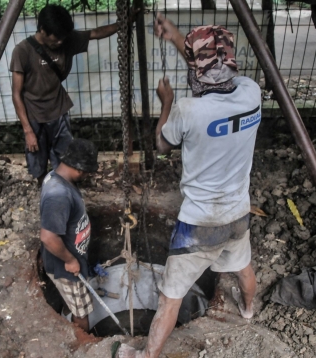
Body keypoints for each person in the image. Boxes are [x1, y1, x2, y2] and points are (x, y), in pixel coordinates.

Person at [118, 14, 261, 358]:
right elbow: (212, 70)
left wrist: (166, 101)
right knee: (243, 267)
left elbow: (163, 146)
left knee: (171, 296)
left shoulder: (187, 110)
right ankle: (248, 311)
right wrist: (174, 37)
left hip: (199, 223)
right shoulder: (251, 93)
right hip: (238, 211)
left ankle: (146, 355)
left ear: (197, 69)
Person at [10, 5, 129, 186]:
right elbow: (16, 94)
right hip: (34, 115)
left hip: (58, 110)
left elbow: (96, 33)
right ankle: (43, 187)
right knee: (37, 159)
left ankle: (63, 186)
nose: (60, 43)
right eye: (56, 39)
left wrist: (125, 23)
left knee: (64, 154)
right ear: (42, 30)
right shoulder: (22, 51)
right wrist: (28, 131)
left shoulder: (67, 39)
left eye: (63, 38)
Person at [39, 138, 98, 332]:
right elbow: (48, 237)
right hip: (66, 269)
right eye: (87, 172)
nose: (87, 176)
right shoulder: (59, 195)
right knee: (81, 312)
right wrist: (70, 260)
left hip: (72, 258)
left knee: (73, 302)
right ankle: (83, 342)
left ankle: (68, 311)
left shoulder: (58, 178)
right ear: (80, 169)